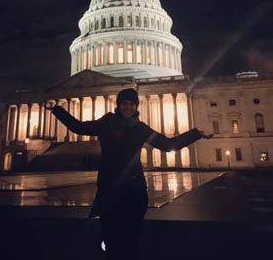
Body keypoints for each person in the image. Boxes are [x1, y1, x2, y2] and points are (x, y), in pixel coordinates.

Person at [45, 88, 212, 259]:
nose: (128, 107)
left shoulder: (141, 129)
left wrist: (195, 134)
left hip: (134, 190)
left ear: (136, 106)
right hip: (109, 188)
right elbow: (79, 127)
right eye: (124, 103)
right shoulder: (105, 124)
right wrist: (58, 111)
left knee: (131, 239)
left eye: (132, 104)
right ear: (118, 105)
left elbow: (168, 144)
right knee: (110, 237)